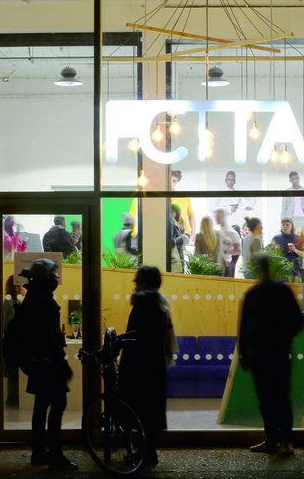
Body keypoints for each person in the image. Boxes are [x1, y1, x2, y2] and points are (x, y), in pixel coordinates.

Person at [238, 254, 304, 455]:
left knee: (266, 399)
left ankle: (272, 439)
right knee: (281, 396)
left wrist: (243, 353)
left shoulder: (252, 294)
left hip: (259, 354)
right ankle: (285, 440)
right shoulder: (283, 291)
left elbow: (244, 327)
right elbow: (298, 321)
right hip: (279, 353)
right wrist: (285, 338)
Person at [16, 258, 75, 470]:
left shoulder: (33, 297)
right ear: (46, 278)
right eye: (53, 275)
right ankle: (55, 455)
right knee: (58, 404)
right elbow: (48, 336)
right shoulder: (43, 301)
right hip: (48, 362)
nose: (57, 279)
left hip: (38, 361)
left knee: (42, 405)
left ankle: (39, 451)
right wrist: (61, 362)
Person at [118, 266, 177, 467]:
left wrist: (119, 344)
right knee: (151, 411)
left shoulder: (143, 305)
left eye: (137, 279)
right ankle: (148, 452)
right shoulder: (160, 304)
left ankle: (144, 454)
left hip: (139, 365)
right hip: (155, 364)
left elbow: (135, 335)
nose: (134, 282)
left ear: (144, 282)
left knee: (139, 408)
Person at [3, 275, 25, 407]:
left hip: (14, 342)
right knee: (13, 372)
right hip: (12, 342)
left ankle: (14, 397)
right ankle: (13, 398)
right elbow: (8, 324)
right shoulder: (9, 301)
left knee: (14, 372)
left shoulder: (15, 301)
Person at [170, 170, 196, 243]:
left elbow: (191, 215)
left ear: (177, 182)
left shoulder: (183, 197)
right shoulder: (158, 197)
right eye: (169, 179)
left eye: (174, 181)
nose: (171, 182)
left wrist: (193, 233)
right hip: (167, 232)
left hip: (184, 232)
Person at [214, 207, 241, 277]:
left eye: (218, 217)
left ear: (223, 217)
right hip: (215, 264)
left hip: (226, 264)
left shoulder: (232, 233)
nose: (216, 219)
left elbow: (238, 251)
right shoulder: (215, 230)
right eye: (216, 217)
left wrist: (226, 251)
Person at [168, 203, 189, 273]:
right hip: (175, 259)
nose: (179, 216)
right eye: (179, 213)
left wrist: (182, 229)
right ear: (173, 212)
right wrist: (182, 239)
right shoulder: (170, 222)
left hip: (177, 258)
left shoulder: (172, 222)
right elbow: (170, 242)